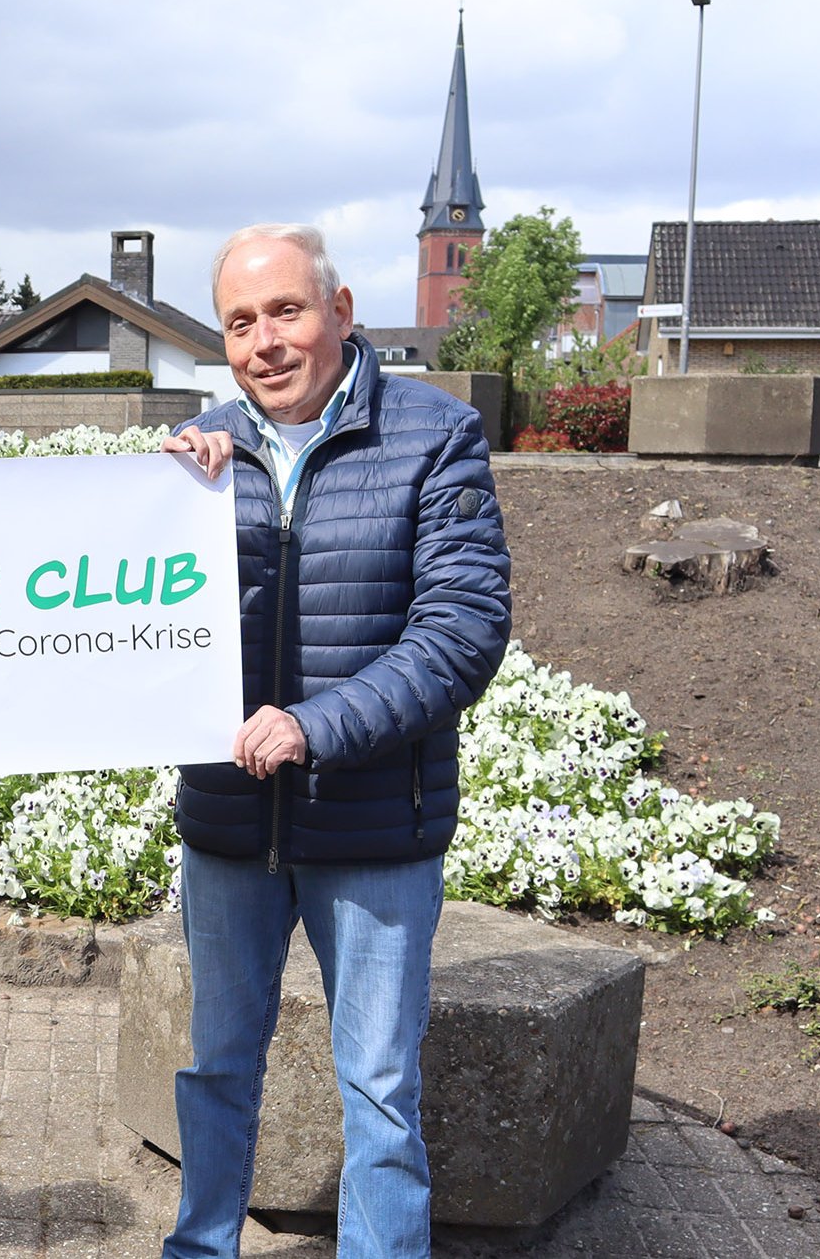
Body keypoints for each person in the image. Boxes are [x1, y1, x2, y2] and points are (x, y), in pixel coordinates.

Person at [157, 224, 510, 1258]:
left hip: (370, 833)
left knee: (381, 1091)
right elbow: (139, 612)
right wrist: (160, 500)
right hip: (228, 827)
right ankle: (199, 1247)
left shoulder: (434, 438)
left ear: (341, 313)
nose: (265, 341)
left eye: (286, 311)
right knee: (217, 1064)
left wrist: (315, 729)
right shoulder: (200, 457)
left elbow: (461, 633)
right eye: (239, 321)